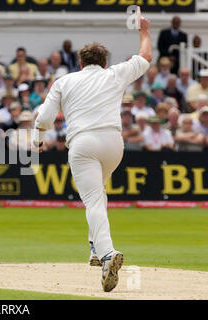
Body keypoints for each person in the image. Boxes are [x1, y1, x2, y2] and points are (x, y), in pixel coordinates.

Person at [33, 15, 152, 292]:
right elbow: (145, 55)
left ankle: (108, 253)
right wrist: (144, 30)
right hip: (114, 144)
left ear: (80, 63)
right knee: (99, 192)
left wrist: (39, 140)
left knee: (94, 201)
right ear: (105, 62)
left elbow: (45, 118)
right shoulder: (115, 73)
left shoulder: (64, 81)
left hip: (84, 145)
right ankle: (96, 251)